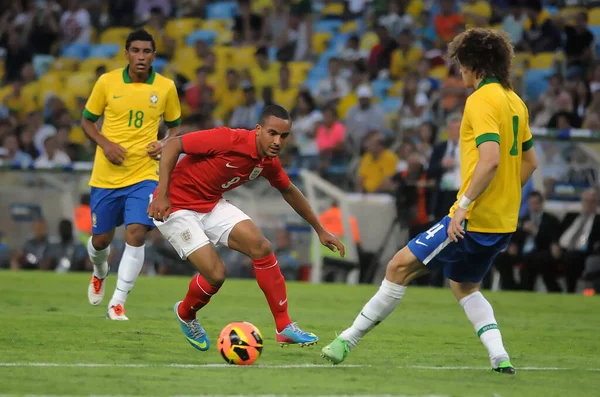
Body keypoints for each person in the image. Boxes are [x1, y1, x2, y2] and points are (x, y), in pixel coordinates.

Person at [321, 28, 539, 375]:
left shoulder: (482, 100)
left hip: (474, 218)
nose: (459, 72)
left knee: (397, 267)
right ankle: (500, 355)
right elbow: (529, 163)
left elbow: (491, 159)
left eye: (460, 65)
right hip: (503, 222)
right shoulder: (516, 102)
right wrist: (504, 195)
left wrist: (465, 205)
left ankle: (346, 339)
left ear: (473, 64)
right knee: (464, 286)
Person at [148, 105, 345, 350]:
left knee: (261, 246)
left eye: (284, 136)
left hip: (210, 203)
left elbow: (289, 190)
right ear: (259, 129)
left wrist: (320, 229)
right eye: (272, 133)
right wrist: (162, 194)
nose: (277, 141)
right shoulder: (228, 139)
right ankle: (186, 313)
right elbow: (173, 145)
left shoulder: (268, 162)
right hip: (175, 206)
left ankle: (284, 327)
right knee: (216, 275)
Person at [82, 29, 182, 320]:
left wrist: (163, 143)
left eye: (147, 51)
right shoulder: (107, 82)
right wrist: (106, 143)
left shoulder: (165, 87)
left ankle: (117, 302)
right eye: (135, 50)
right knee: (101, 241)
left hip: (144, 174)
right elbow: (87, 121)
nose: (141, 56)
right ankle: (100, 271)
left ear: (153, 55)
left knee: (136, 233)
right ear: (126, 53)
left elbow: (175, 127)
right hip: (107, 176)